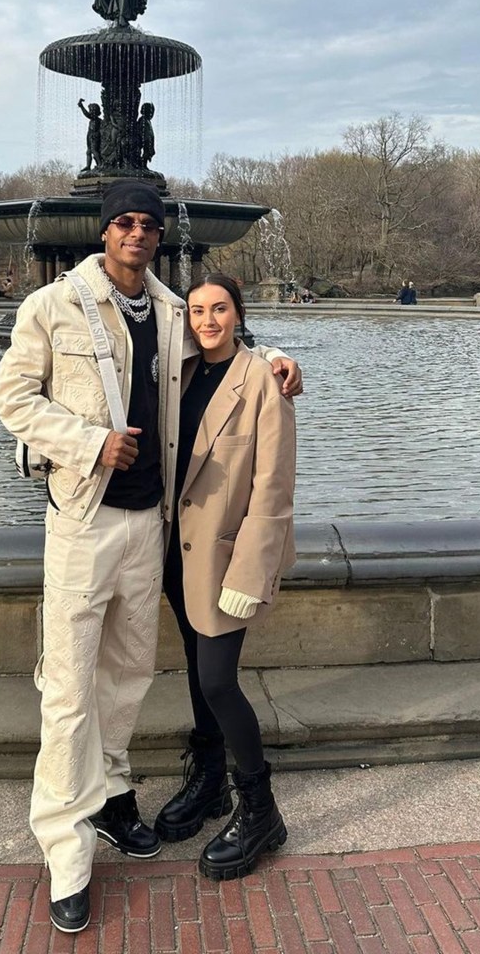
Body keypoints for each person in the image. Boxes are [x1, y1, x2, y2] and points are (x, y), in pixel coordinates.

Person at [0, 181, 301, 934]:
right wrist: (90, 442)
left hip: (150, 527)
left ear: (159, 235)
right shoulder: (52, 306)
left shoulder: (169, 309)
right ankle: (66, 853)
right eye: (124, 222)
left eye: (147, 223)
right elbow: (12, 398)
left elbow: (227, 349)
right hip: (83, 521)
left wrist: (277, 358)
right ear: (105, 232)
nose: (136, 232)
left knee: (129, 675)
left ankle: (111, 797)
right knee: (69, 685)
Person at [155, 273, 295, 881]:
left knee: (217, 680)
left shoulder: (264, 378)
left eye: (219, 309)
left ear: (238, 314)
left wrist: (254, 567)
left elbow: (274, 487)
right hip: (172, 553)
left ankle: (260, 809)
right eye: (196, 311)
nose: (206, 320)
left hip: (225, 560)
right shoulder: (177, 374)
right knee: (194, 667)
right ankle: (210, 780)